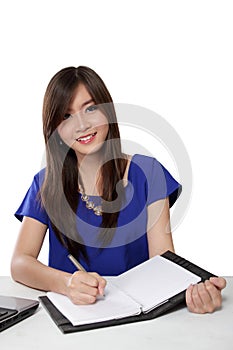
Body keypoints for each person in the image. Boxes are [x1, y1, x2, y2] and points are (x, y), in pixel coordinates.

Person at [11, 66, 226, 313]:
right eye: (66, 116)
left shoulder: (148, 173)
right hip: (72, 318)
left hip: (137, 319)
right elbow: (19, 263)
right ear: (55, 130)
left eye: (90, 108)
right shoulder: (46, 183)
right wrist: (67, 283)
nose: (81, 125)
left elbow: (163, 262)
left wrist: (197, 293)